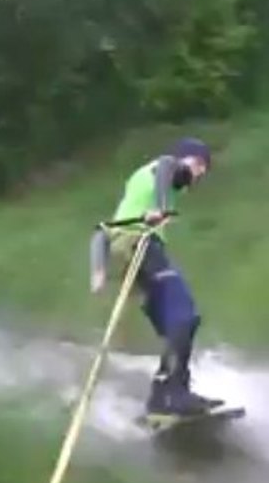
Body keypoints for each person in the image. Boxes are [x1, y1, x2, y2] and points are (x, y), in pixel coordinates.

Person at [88, 137, 224, 417]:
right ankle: (172, 394)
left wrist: (99, 271)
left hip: (130, 252)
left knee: (179, 325)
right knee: (184, 316)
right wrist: (162, 207)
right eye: (199, 166)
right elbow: (167, 167)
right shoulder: (166, 166)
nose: (198, 175)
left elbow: (101, 233)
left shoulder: (140, 185)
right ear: (187, 159)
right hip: (142, 245)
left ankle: (164, 393)